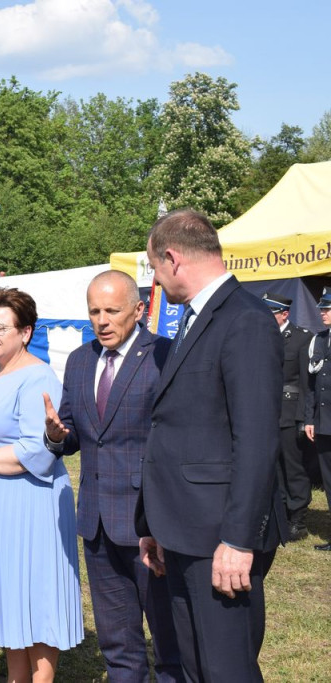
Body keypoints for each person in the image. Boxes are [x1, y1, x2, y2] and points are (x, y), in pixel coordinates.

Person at [138, 209, 284, 682]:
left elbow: (257, 439)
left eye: (155, 270)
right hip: (183, 529)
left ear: (173, 258)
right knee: (197, 666)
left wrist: (238, 539)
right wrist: (155, 523)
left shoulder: (244, 319)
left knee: (226, 669)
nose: (156, 281)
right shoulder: (196, 319)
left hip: (220, 534)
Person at [43, 271, 181, 683]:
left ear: (139, 310)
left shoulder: (165, 355)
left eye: (112, 311)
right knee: (117, 641)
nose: (101, 320)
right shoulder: (81, 360)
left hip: (149, 523)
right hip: (97, 523)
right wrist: (55, 436)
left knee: (169, 639)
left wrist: (162, 519)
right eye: (94, 311)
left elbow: (176, 439)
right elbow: (71, 434)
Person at [0, 287, 82, 683]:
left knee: (33, 597)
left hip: (28, 502)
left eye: (0, 327)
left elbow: (37, 453)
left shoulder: (38, 377)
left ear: (25, 332)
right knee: (7, 598)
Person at [263, 292, 314, 543]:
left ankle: (298, 517)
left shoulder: (301, 339)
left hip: (290, 411)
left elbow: (306, 383)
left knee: (293, 466)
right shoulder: (261, 337)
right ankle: (281, 511)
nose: (266, 317)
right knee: (274, 465)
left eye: (270, 312)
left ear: (284, 314)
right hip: (267, 412)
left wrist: (304, 418)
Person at [304, 288, 331, 551]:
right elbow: (312, 384)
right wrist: (310, 418)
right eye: (322, 308)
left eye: (326, 309)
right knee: (329, 480)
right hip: (324, 422)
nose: (322, 313)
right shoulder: (318, 339)